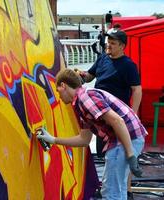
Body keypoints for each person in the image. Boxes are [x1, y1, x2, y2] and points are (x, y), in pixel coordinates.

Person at [37, 68, 147, 200]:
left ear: (63, 85)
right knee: (116, 189)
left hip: (125, 139)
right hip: (127, 138)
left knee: (111, 192)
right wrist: (53, 139)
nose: (58, 95)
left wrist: (130, 154)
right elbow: (84, 140)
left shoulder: (85, 98)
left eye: (57, 89)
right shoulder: (80, 103)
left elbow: (117, 121)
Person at [77, 29, 142, 199]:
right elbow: (89, 77)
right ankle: (113, 186)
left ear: (122, 46)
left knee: (122, 155)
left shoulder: (128, 65)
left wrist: (133, 114)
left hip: (117, 116)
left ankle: (124, 190)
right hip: (101, 116)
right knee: (106, 153)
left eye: (113, 43)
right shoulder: (103, 59)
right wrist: (80, 76)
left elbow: (137, 90)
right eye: (108, 42)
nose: (108, 46)